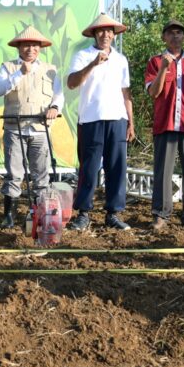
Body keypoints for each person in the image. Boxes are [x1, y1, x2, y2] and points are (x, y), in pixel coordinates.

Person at [66, 13, 135, 231]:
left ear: (114, 35)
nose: (105, 35)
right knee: (89, 167)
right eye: (101, 31)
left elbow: (126, 92)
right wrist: (93, 64)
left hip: (117, 118)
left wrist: (131, 121)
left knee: (116, 167)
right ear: (95, 34)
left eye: (109, 31)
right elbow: (71, 83)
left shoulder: (121, 60)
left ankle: (113, 213)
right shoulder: (82, 55)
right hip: (91, 118)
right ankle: (83, 213)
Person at [0, 25, 63, 229]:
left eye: (34, 45)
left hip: (41, 128)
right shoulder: (8, 67)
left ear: (39, 47)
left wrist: (55, 107)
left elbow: (58, 95)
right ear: (18, 47)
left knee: (41, 174)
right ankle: (9, 215)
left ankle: (41, 213)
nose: (30, 49)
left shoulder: (50, 69)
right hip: (15, 128)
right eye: (26, 45)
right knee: (14, 173)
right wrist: (20, 74)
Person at [145, 19, 184, 230]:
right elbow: (154, 92)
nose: (175, 36)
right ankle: (161, 214)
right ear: (164, 37)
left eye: (179, 32)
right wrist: (164, 68)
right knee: (163, 172)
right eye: (171, 33)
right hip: (165, 124)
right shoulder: (156, 61)